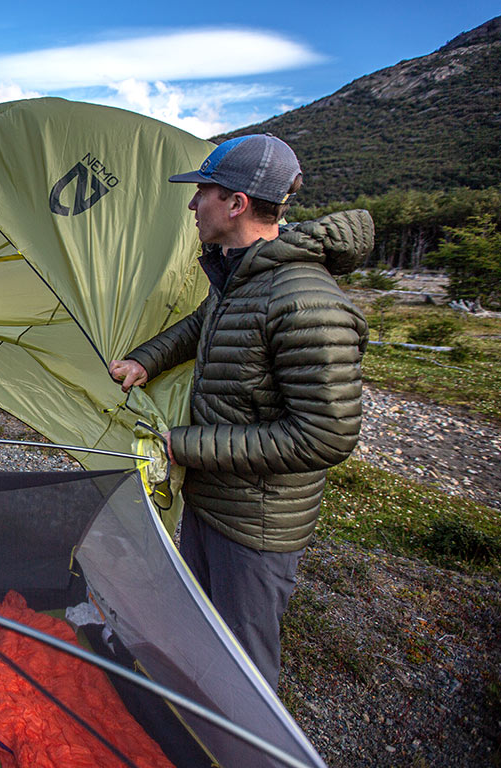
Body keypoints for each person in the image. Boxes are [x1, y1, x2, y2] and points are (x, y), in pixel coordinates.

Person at [108, 134, 373, 690]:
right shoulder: (243, 274)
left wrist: (186, 446)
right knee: (201, 638)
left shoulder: (307, 300)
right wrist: (144, 360)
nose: (191, 205)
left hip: (256, 525)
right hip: (213, 499)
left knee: (245, 672)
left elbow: (326, 436)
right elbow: (204, 325)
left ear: (236, 204)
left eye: (203, 191)